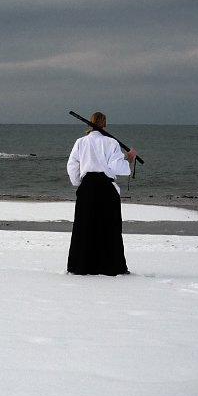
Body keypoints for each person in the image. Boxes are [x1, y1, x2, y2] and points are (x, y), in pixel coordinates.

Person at [66, 111, 137, 276]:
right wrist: (130, 159)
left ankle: (82, 266)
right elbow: (116, 167)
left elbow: (72, 165)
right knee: (109, 226)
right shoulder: (111, 143)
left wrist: (78, 182)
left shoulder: (80, 142)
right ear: (104, 124)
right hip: (106, 188)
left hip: (87, 188)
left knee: (84, 226)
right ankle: (110, 266)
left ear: (90, 124)